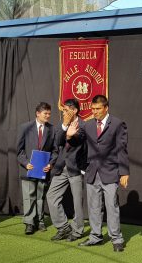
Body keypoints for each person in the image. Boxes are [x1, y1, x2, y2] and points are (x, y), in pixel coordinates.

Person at [68, 95, 129, 252]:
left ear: (106, 108)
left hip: (111, 172)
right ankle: (96, 237)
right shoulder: (88, 125)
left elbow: (122, 149)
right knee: (94, 207)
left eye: (98, 109)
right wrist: (70, 135)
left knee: (112, 206)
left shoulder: (117, 124)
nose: (94, 112)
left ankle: (116, 239)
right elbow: (77, 141)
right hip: (92, 172)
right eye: (93, 109)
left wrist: (124, 172)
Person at [46, 98, 87, 242]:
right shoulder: (62, 124)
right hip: (61, 167)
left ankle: (77, 231)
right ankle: (63, 227)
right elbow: (57, 141)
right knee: (51, 196)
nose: (64, 112)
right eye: (63, 110)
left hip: (76, 168)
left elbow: (78, 140)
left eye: (67, 109)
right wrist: (64, 126)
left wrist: (70, 135)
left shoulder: (83, 125)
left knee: (77, 202)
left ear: (75, 110)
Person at [17, 102, 58, 235]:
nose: (48, 116)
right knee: (29, 196)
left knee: (40, 196)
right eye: (45, 113)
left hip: (43, 170)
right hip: (29, 169)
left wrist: (50, 164)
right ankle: (29, 223)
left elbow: (55, 150)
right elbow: (19, 151)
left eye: (49, 113)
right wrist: (25, 163)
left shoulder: (52, 129)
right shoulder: (25, 128)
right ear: (38, 113)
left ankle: (40, 221)